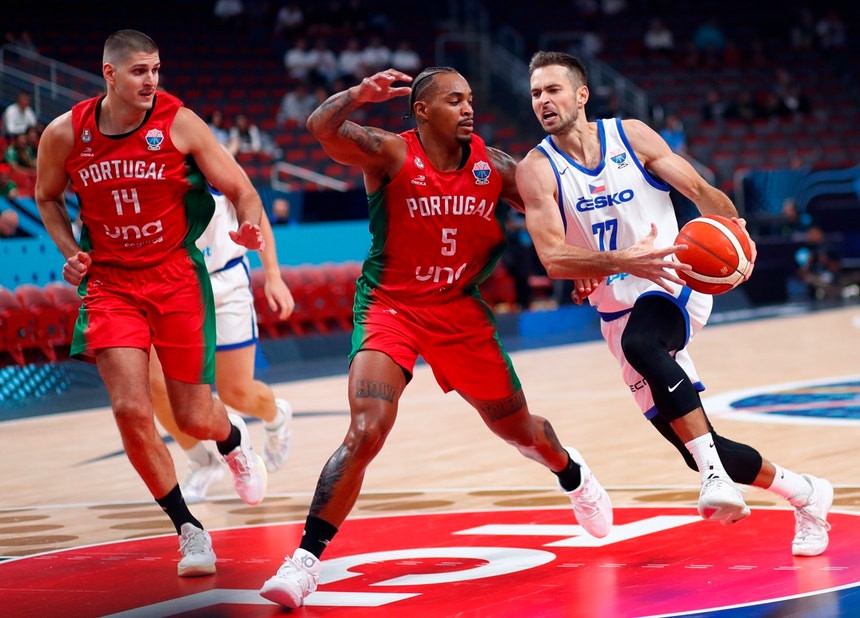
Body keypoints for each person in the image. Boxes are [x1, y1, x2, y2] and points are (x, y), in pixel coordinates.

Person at [258, 66, 663, 608]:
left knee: (521, 432)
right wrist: (358, 95)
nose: (468, 108)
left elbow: (555, 215)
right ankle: (303, 563)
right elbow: (321, 128)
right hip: (391, 307)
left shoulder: (497, 167)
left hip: (458, 312)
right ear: (422, 111)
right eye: (454, 100)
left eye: (470, 98)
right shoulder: (391, 153)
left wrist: (585, 261)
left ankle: (572, 472)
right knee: (367, 429)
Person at [517, 51, 833, 556]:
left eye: (553, 90)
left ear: (581, 94)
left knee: (644, 342)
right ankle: (807, 493)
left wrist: (736, 234)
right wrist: (615, 262)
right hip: (615, 308)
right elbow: (553, 258)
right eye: (536, 93)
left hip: (673, 278)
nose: (543, 101)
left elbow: (702, 192)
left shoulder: (632, 136)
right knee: (696, 444)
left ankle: (715, 478)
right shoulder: (536, 169)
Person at [34, 29, 268, 578]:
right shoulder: (64, 133)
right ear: (110, 74)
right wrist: (71, 252)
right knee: (130, 409)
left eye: (156, 70)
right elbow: (46, 196)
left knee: (193, 415)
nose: (151, 81)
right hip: (111, 284)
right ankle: (189, 529)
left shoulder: (180, 123)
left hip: (175, 277)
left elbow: (242, 189)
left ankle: (234, 441)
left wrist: (249, 225)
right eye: (140, 71)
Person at [150, 163, 295, 503]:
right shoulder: (142, 165)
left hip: (224, 281)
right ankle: (202, 462)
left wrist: (273, 275)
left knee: (236, 393)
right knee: (156, 387)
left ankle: (276, 417)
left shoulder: (209, 157)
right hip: (173, 286)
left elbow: (253, 208)